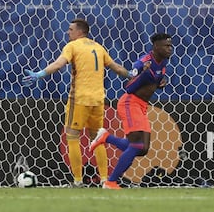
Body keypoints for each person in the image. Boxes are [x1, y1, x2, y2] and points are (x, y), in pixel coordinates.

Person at [21, 18, 132, 187]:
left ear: (80, 31)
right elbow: (116, 68)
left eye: (71, 29)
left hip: (79, 99)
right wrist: (132, 75)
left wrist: (39, 74)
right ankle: (105, 180)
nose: (68, 32)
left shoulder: (72, 46)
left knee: (72, 137)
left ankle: (78, 181)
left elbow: (58, 64)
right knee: (98, 138)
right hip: (98, 100)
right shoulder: (98, 47)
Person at [89, 33, 173, 189]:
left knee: (143, 148)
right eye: (166, 46)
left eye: (170, 45)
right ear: (156, 47)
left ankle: (106, 137)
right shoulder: (142, 63)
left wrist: (158, 83)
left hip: (141, 105)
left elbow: (151, 82)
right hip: (130, 103)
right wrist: (144, 75)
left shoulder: (162, 63)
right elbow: (129, 87)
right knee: (137, 145)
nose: (170, 49)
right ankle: (110, 181)